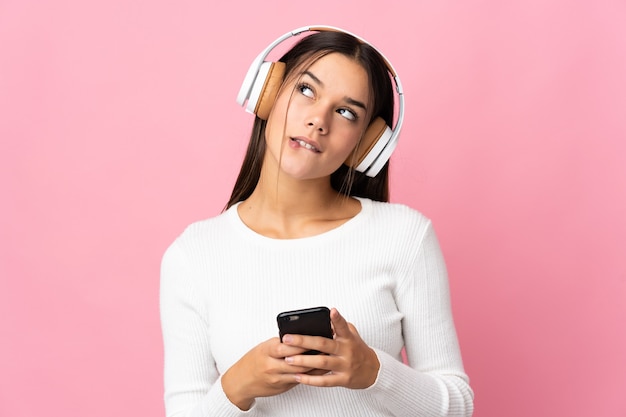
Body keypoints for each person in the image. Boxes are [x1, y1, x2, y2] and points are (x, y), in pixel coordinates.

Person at [160, 26, 474, 417]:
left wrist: (373, 371)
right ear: (268, 94)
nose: (318, 121)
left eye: (346, 112)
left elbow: (457, 405)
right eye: (306, 90)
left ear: (367, 143)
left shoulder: (405, 237)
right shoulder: (193, 255)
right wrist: (238, 386)